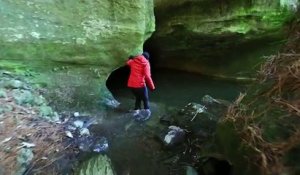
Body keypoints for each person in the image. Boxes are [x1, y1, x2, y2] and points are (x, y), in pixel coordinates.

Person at [126, 52, 155, 118]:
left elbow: (128, 62)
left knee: (138, 97)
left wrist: (130, 58)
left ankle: (136, 110)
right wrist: (152, 87)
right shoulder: (146, 63)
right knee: (145, 99)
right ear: (147, 58)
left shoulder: (133, 61)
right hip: (140, 85)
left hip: (131, 85)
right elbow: (147, 76)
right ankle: (147, 112)